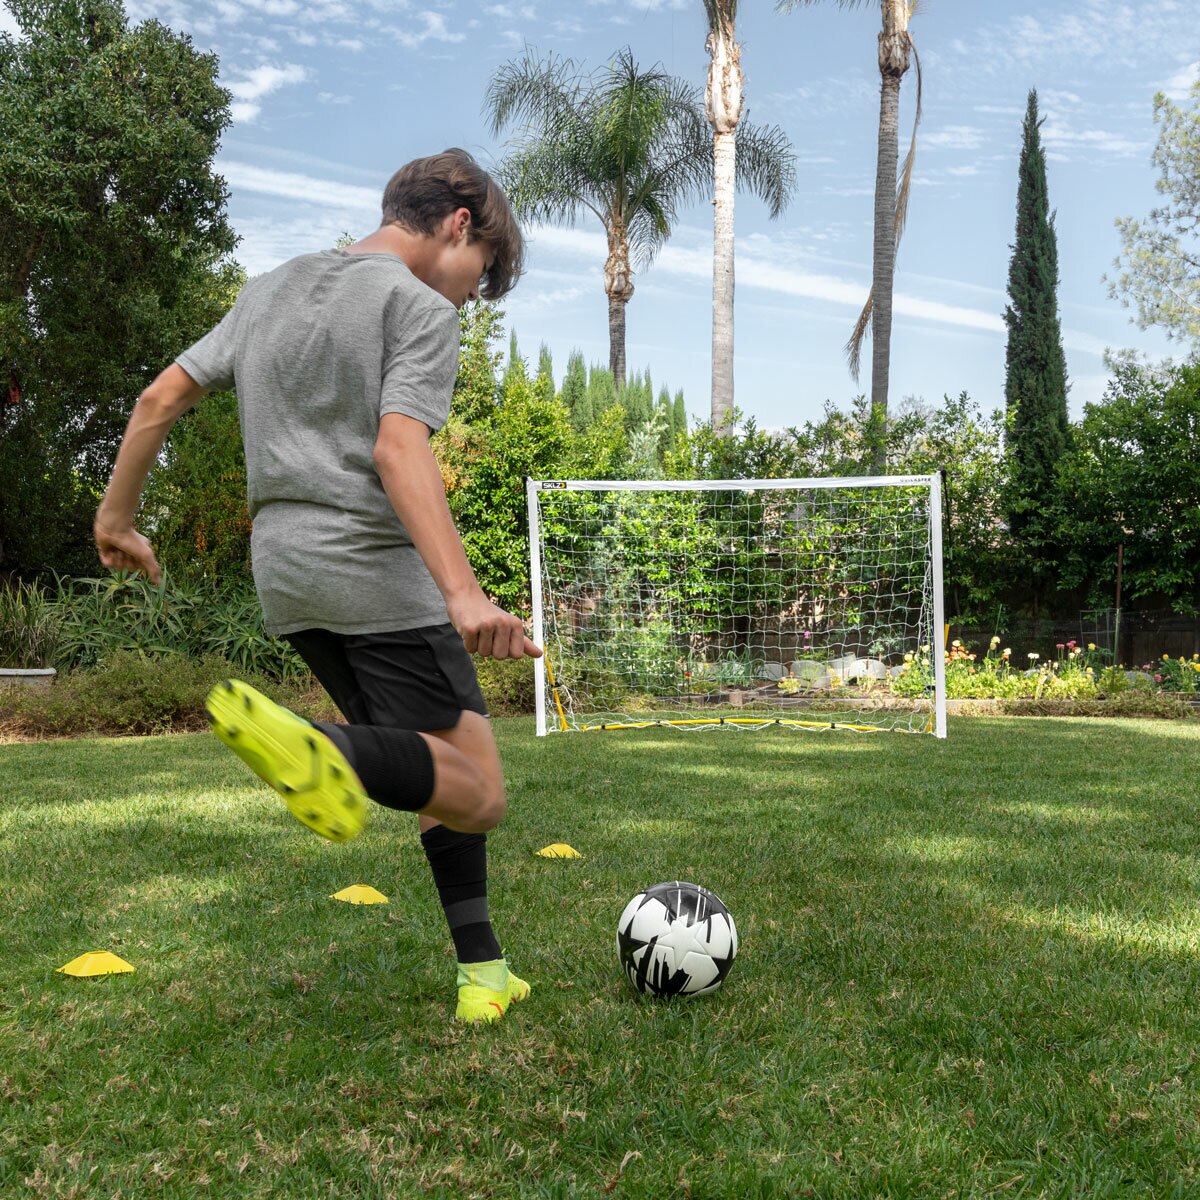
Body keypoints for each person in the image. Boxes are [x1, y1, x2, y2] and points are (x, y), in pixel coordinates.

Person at [94, 148, 540, 1024]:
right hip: (374, 574)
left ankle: (484, 973)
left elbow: (158, 400)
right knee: (481, 793)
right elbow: (398, 449)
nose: (466, 298)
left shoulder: (270, 289)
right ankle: (324, 749)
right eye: (478, 274)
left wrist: (116, 521)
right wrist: (464, 595)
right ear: (459, 225)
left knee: (437, 770)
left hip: (288, 580)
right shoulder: (417, 310)